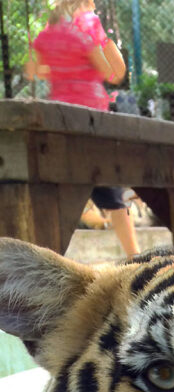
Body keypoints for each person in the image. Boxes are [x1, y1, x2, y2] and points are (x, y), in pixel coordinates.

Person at [27, 0, 139, 257]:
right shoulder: (88, 23)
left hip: (64, 120)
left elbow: (44, 71)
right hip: (88, 120)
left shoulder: (53, 27)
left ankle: (51, 259)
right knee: (109, 191)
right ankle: (135, 256)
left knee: (67, 190)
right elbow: (114, 73)